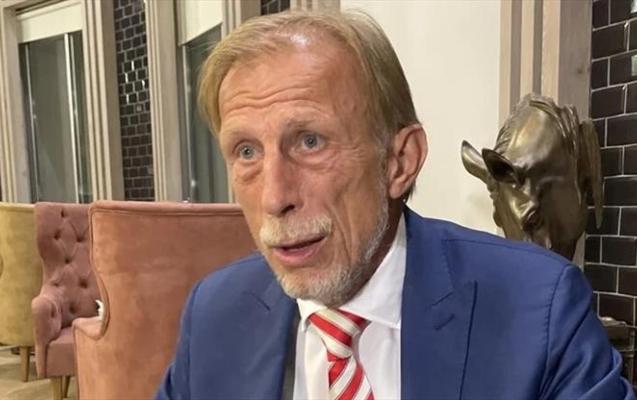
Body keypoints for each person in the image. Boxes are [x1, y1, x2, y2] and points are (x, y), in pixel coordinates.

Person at [156, 10, 635, 400]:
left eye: (309, 141)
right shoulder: (214, 315)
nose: (275, 197)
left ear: (400, 162)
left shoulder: (538, 305)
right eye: (246, 151)